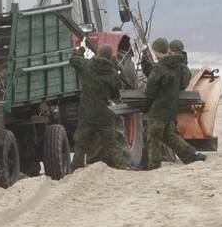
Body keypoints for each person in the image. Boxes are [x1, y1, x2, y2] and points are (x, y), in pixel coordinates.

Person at [144, 37, 206, 169]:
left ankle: (154, 166)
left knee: (153, 136)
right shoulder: (179, 66)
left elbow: (150, 90)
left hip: (159, 108)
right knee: (170, 135)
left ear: (156, 51)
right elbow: (183, 83)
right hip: (172, 107)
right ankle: (193, 154)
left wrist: (146, 105)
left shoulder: (159, 68)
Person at [69, 43, 129, 169]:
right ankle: (123, 166)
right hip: (104, 115)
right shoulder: (112, 73)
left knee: (80, 145)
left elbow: (73, 60)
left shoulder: (87, 65)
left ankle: (75, 169)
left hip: (87, 114)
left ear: (98, 53)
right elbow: (116, 93)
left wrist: (81, 48)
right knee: (112, 145)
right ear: (109, 56)